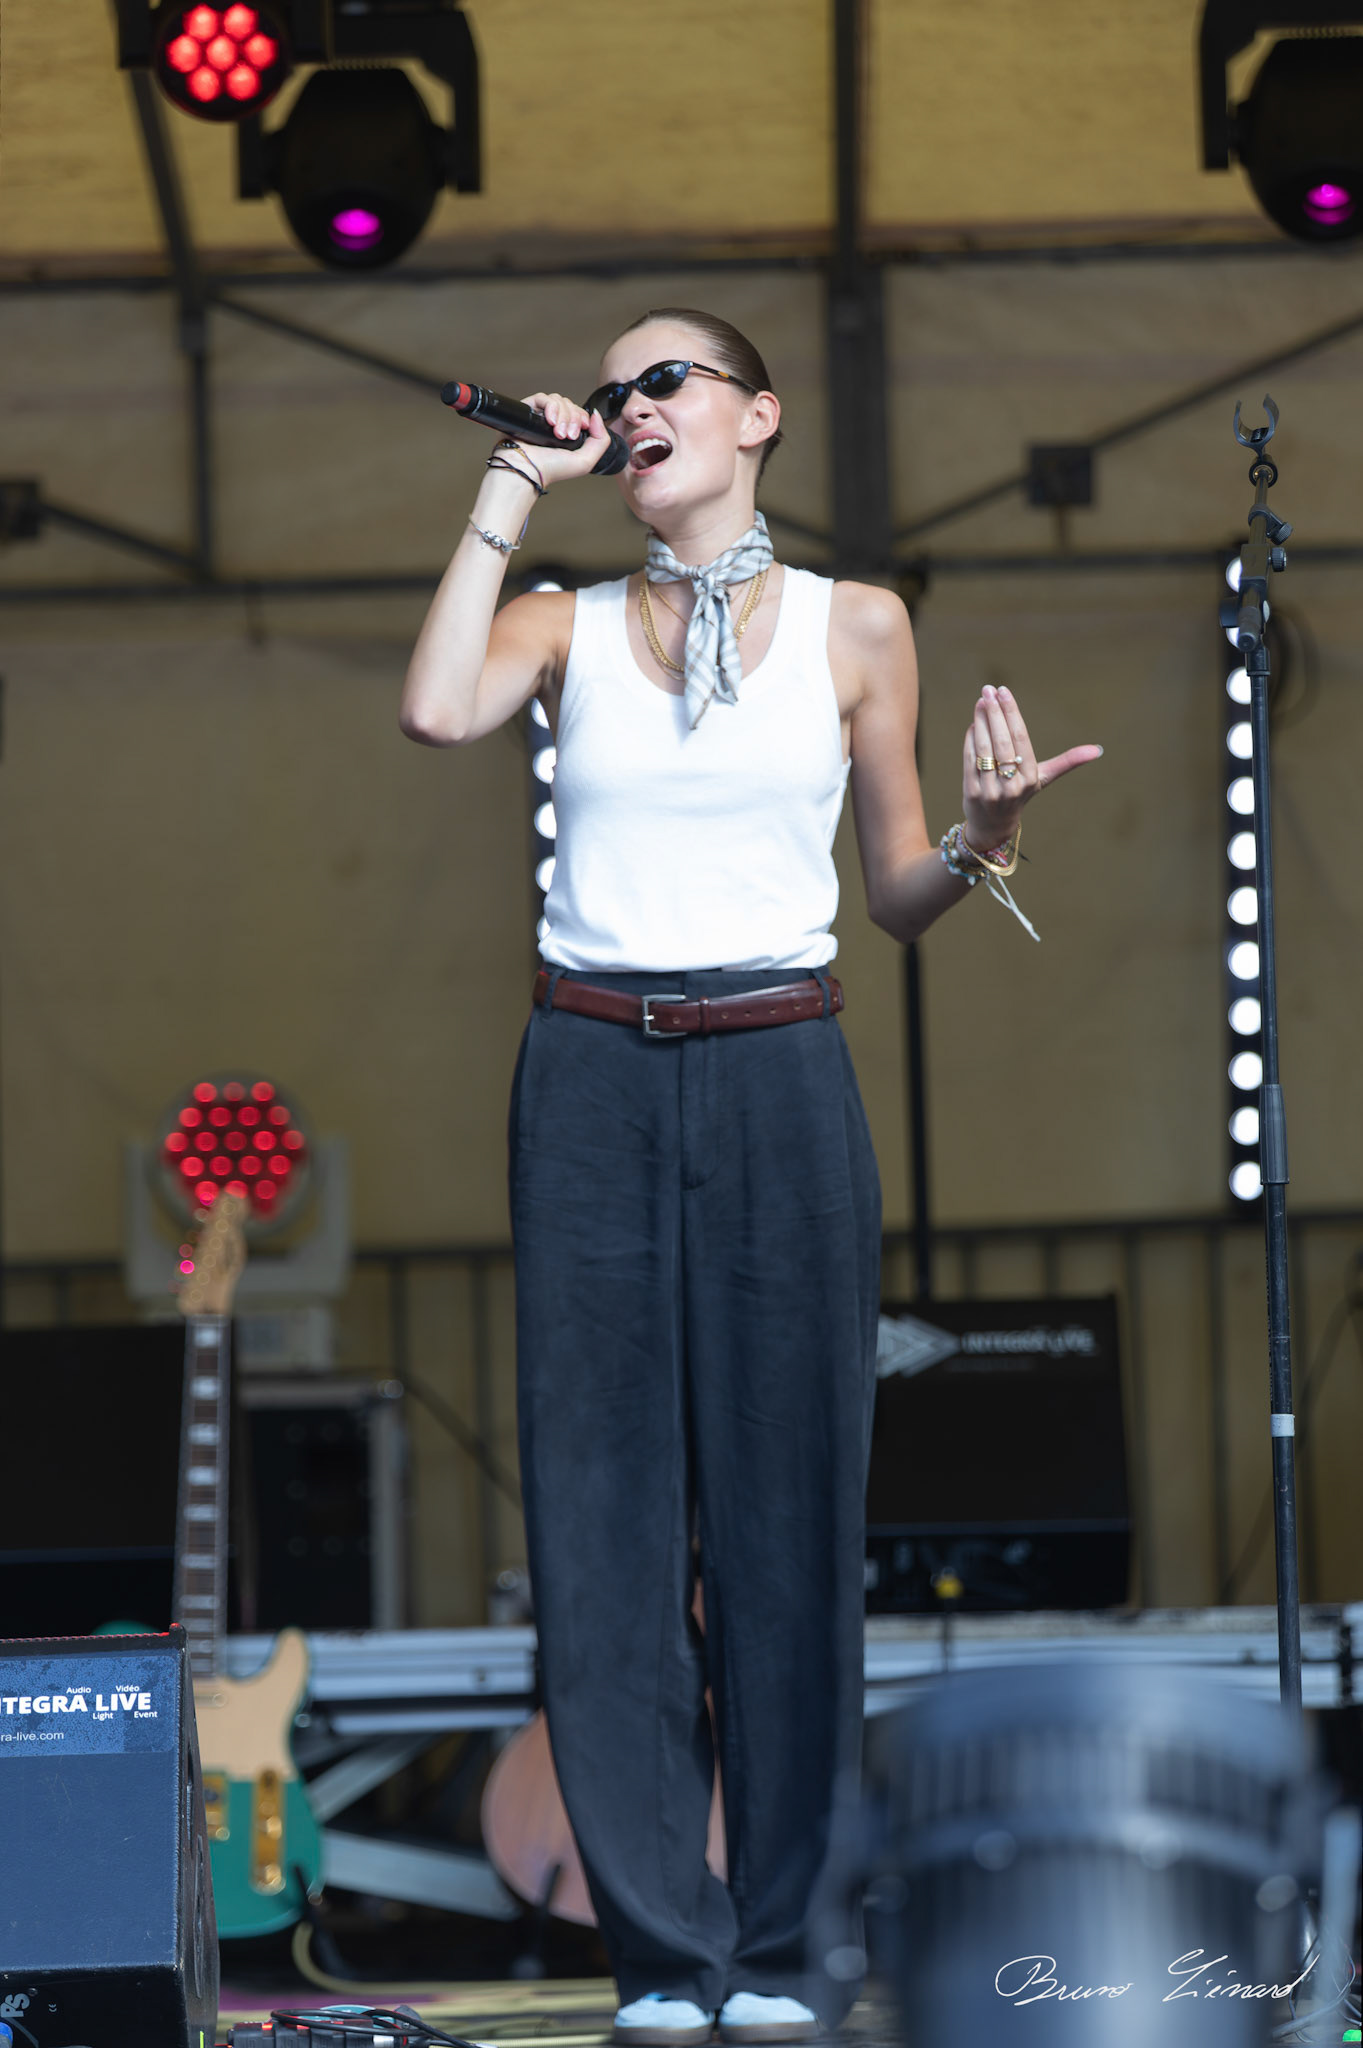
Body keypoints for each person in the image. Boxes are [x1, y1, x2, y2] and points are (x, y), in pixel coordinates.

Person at [401, 309, 1101, 2044]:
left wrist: (983, 843)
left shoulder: (862, 626)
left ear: (757, 416)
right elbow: (432, 710)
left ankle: (782, 1949)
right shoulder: (563, 621)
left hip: (783, 1061)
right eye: (615, 390)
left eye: (667, 382)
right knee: (604, 1516)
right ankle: (660, 1957)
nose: (633, 407)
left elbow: (896, 889)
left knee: (790, 1515)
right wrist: (512, 478)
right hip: (589, 1074)